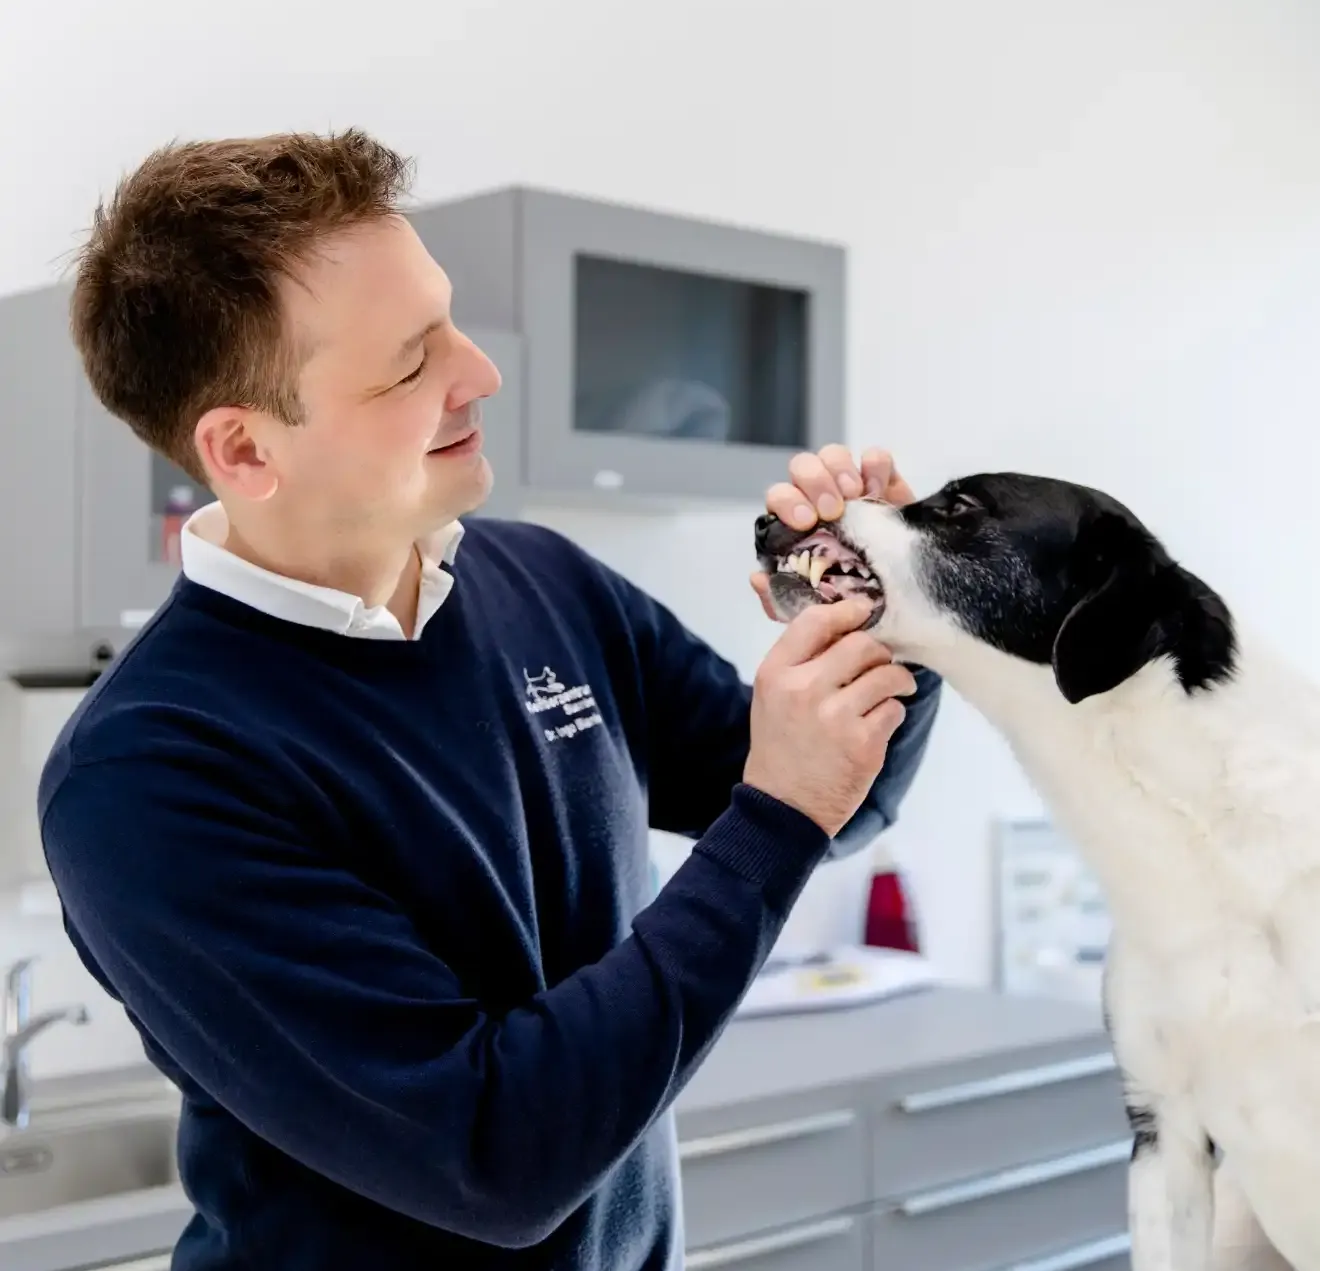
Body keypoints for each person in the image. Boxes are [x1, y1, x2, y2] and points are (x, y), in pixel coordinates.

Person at [38, 129, 941, 1271]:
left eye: (449, 319)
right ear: (245, 449)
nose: (480, 372)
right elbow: (497, 1156)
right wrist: (778, 812)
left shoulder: (543, 582)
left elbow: (838, 802)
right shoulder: (150, 775)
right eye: (411, 362)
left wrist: (892, 594)